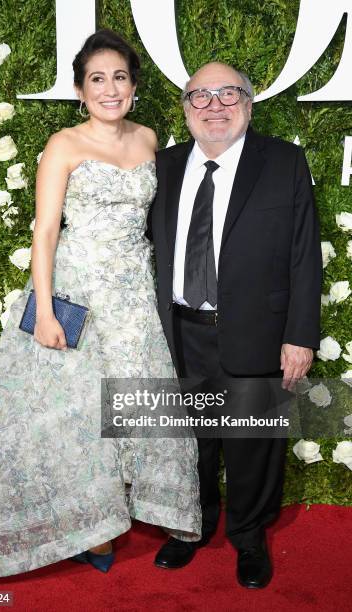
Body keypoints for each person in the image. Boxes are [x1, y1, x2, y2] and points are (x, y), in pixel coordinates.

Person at [0, 29, 201, 580]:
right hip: (76, 292)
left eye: (120, 78)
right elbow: (44, 232)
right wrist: (42, 310)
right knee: (69, 417)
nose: (110, 89)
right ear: (81, 92)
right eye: (97, 80)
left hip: (134, 297)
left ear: (134, 86)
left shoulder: (150, 139)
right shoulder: (64, 144)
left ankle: (132, 509)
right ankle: (92, 527)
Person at [148, 61, 322, 587]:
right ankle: (191, 529)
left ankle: (248, 538)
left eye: (229, 94)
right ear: (185, 110)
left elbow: (303, 256)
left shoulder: (284, 162)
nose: (215, 105)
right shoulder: (162, 166)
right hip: (179, 334)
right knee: (188, 443)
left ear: (249, 104)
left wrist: (300, 336)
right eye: (201, 96)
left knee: (253, 444)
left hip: (259, 334)